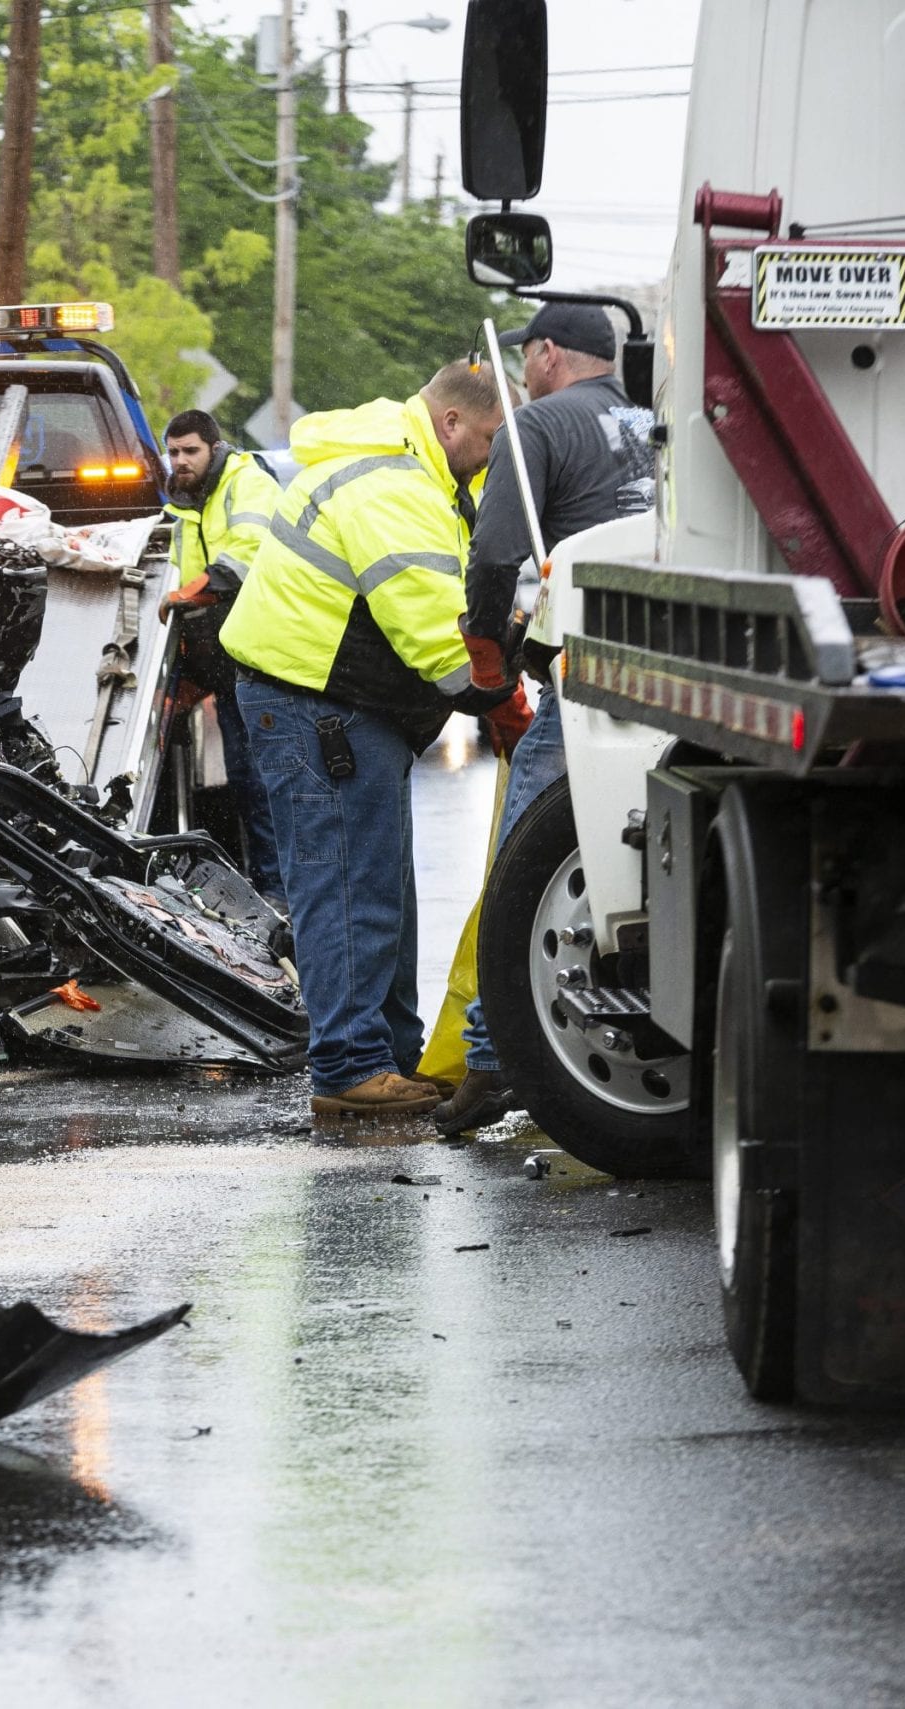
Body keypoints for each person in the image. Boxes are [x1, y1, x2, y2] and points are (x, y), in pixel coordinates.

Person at [221, 361, 527, 1122]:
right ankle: (350, 1067)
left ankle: (388, 1056)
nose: (490, 454)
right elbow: (437, 636)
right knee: (349, 887)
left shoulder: (412, 465)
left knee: (380, 889)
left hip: (338, 703)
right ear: (452, 422)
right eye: (488, 437)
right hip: (318, 704)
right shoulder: (393, 482)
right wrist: (503, 694)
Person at [434, 303, 660, 1136]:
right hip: (681, 658)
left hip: (591, 661)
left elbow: (495, 554)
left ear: (550, 355)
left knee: (528, 850)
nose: (521, 375)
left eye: (527, 360)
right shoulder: (654, 422)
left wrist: (488, 652)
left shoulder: (536, 430)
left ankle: (494, 1059)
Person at [157, 408, 285, 902]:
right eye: (173, 452)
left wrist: (187, 594)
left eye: (191, 450)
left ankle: (278, 893)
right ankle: (267, 886)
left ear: (214, 447)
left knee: (259, 782)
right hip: (229, 665)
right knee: (247, 784)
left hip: (262, 662)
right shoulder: (189, 505)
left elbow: (244, 556)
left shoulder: (244, 483)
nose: (181, 460)